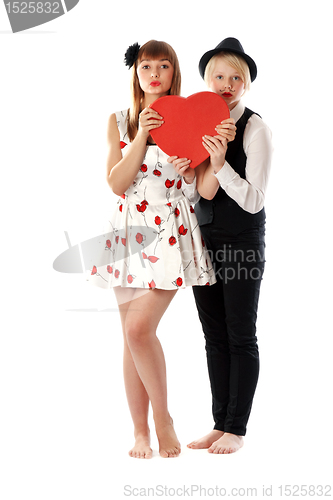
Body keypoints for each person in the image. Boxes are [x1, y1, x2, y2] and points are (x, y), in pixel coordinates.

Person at [88, 40, 235, 459]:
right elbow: (117, 183)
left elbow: (202, 189)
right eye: (145, 65)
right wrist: (145, 134)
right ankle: (139, 433)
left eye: (163, 66)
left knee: (139, 329)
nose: (153, 73)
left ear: (174, 73)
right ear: (135, 73)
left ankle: (163, 418)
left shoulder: (194, 119)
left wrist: (214, 158)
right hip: (127, 231)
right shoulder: (118, 120)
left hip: (171, 231)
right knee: (129, 338)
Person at [169, 37, 273, 454]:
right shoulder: (199, 126)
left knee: (240, 334)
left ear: (245, 86)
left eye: (236, 78)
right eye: (219, 76)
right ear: (206, 80)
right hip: (204, 240)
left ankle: (237, 429)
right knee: (213, 335)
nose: (227, 83)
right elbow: (200, 198)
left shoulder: (255, 127)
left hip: (243, 242)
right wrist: (189, 176)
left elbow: (254, 199)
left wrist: (219, 163)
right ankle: (219, 422)